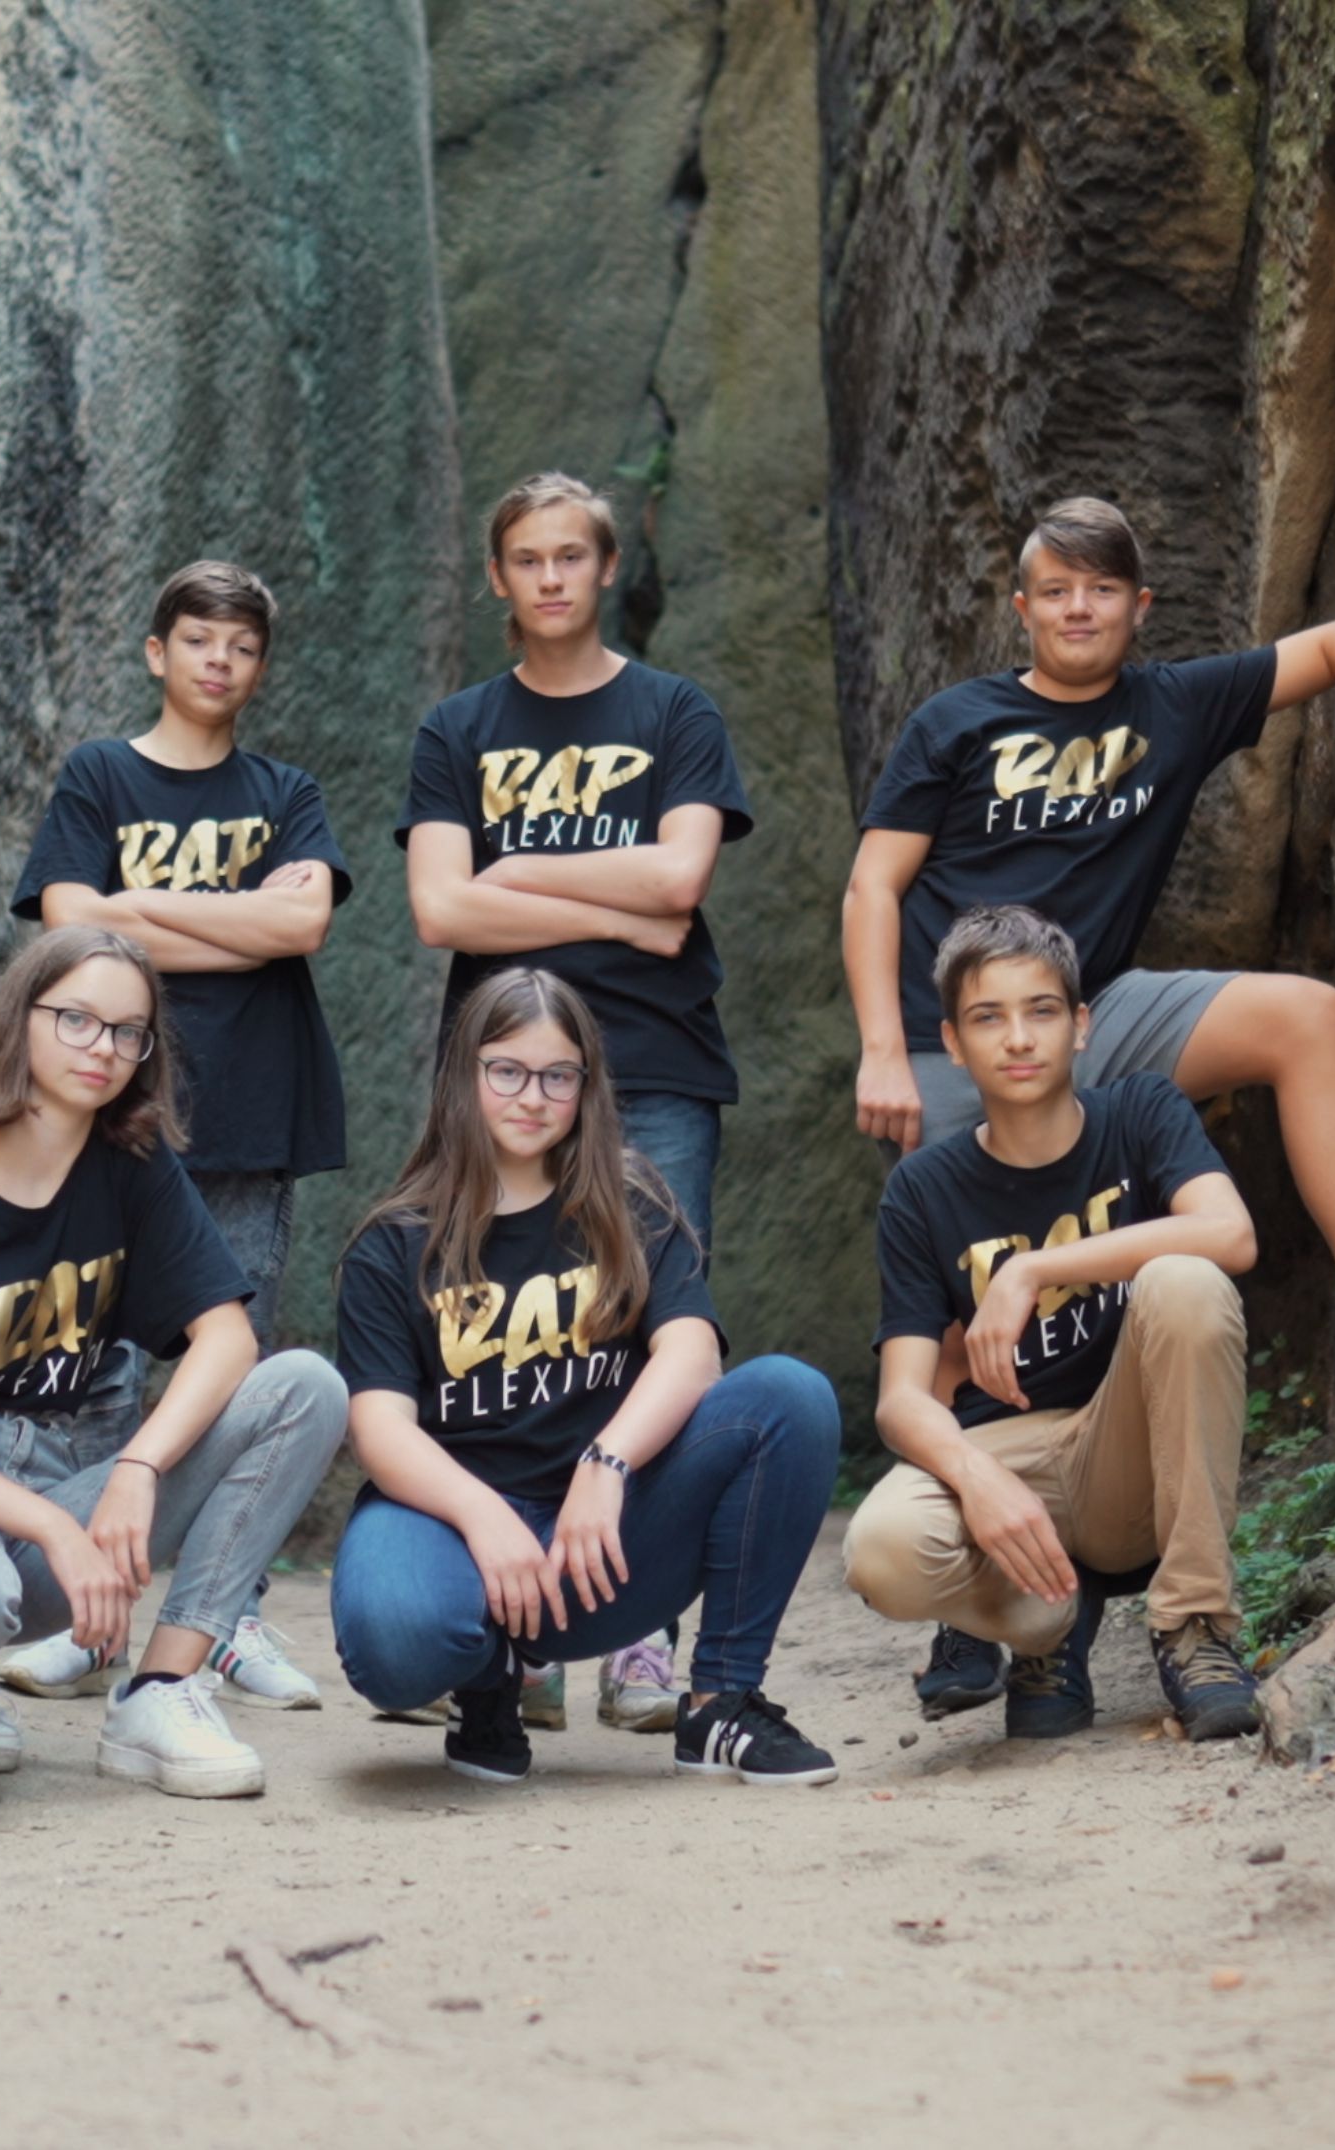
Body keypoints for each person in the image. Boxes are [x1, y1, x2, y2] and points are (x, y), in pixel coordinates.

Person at [841, 495, 1335, 1718]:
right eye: (1053, 589)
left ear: (1137, 608)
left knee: (1306, 1016)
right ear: (1020, 606)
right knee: (967, 1226)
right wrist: (880, 1052)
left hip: (1093, 1010)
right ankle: (976, 1602)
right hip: (954, 1032)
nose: (1075, 609)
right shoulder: (956, 724)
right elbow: (871, 884)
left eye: (1100, 591)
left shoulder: (1170, 703)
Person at [0, 926, 347, 1793]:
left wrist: (138, 1466)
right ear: (19, 1023)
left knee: (303, 1389)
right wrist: (54, 1527)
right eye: (75, 1020)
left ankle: (164, 1687)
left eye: (126, 1031)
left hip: (67, 1494)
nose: (102, 1048)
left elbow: (227, 1337)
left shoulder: (130, 1173)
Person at [398, 472, 753, 1733]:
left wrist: (524, 869)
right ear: (497, 579)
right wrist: (618, 903)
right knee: (500, 1325)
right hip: (494, 1083)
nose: (549, 577)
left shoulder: (674, 710)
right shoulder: (457, 729)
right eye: (525, 559)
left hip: (652, 1068)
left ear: (605, 569)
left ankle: (642, 1635)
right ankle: (521, 1637)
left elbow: (686, 875)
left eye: (570, 556)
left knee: (650, 1330)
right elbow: (443, 908)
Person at [328, 967, 843, 1786]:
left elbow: (692, 1353)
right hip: (458, 1528)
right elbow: (379, 1428)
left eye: (557, 1075)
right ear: (463, 1077)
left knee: (789, 1397)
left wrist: (606, 1467)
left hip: (600, 1542)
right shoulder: (394, 1241)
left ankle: (719, 1705)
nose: (531, 1096)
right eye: (506, 1070)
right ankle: (484, 1679)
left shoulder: (629, 1204)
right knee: (395, 1637)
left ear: (585, 1086)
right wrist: (480, 1513)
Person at [0, 562, 347, 1712]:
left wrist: (140, 918)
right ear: (158, 651)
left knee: (236, 1370)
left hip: (250, 1114)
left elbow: (303, 919)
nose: (215, 661)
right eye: (195, 639)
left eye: (239, 646)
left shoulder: (284, 789)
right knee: (100, 1374)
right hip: (115, 1111)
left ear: (257, 666)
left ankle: (223, 1620)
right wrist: (236, 927)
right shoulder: (101, 774)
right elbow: (66, 919)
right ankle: (88, 1620)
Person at [843, 907, 1263, 1743]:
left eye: (1040, 1011)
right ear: (953, 1045)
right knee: (881, 1548)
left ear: (1079, 1026)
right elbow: (901, 1400)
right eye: (986, 1018)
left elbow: (1231, 1235)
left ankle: (1195, 1629)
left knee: (1183, 1282)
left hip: (1130, 1449)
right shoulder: (923, 1188)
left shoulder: (1139, 1112)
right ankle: (1042, 1627)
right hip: (1011, 1459)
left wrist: (1031, 1268)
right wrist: (973, 1475)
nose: (1017, 1038)